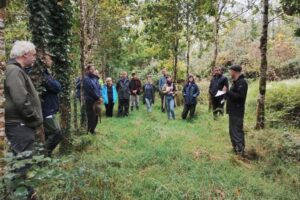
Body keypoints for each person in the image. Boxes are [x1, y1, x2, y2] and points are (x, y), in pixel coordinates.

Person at [4, 41, 42, 199]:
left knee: (22, 163)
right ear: (24, 54)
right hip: (20, 125)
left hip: (21, 124)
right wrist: (34, 117)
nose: (34, 58)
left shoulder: (16, 70)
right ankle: (21, 195)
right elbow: (21, 99)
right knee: (21, 164)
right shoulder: (14, 71)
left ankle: (26, 193)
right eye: (33, 54)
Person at [40, 51, 63, 156]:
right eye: (50, 59)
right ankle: (43, 155)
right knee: (56, 132)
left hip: (50, 108)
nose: (52, 61)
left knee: (53, 133)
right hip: (46, 109)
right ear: (43, 60)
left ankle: (45, 156)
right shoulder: (41, 74)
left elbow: (57, 86)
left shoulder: (46, 73)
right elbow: (57, 87)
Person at [224, 64, 248, 155]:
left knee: (236, 130)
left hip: (237, 111)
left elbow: (240, 97)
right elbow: (232, 95)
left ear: (235, 72)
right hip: (232, 111)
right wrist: (225, 93)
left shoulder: (242, 82)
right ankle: (236, 148)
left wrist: (228, 92)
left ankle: (240, 150)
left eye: (231, 71)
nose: (230, 73)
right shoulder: (235, 82)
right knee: (232, 130)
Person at [83, 64, 102, 134]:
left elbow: (99, 88)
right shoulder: (86, 79)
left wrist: (100, 96)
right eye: (91, 69)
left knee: (96, 115)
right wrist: (98, 97)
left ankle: (93, 130)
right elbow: (90, 90)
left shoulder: (95, 78)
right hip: (90, 100)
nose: (93, 70)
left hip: (97, 100)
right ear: (88, 70)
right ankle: (88, 130)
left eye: (94, 69)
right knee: (90, 116)